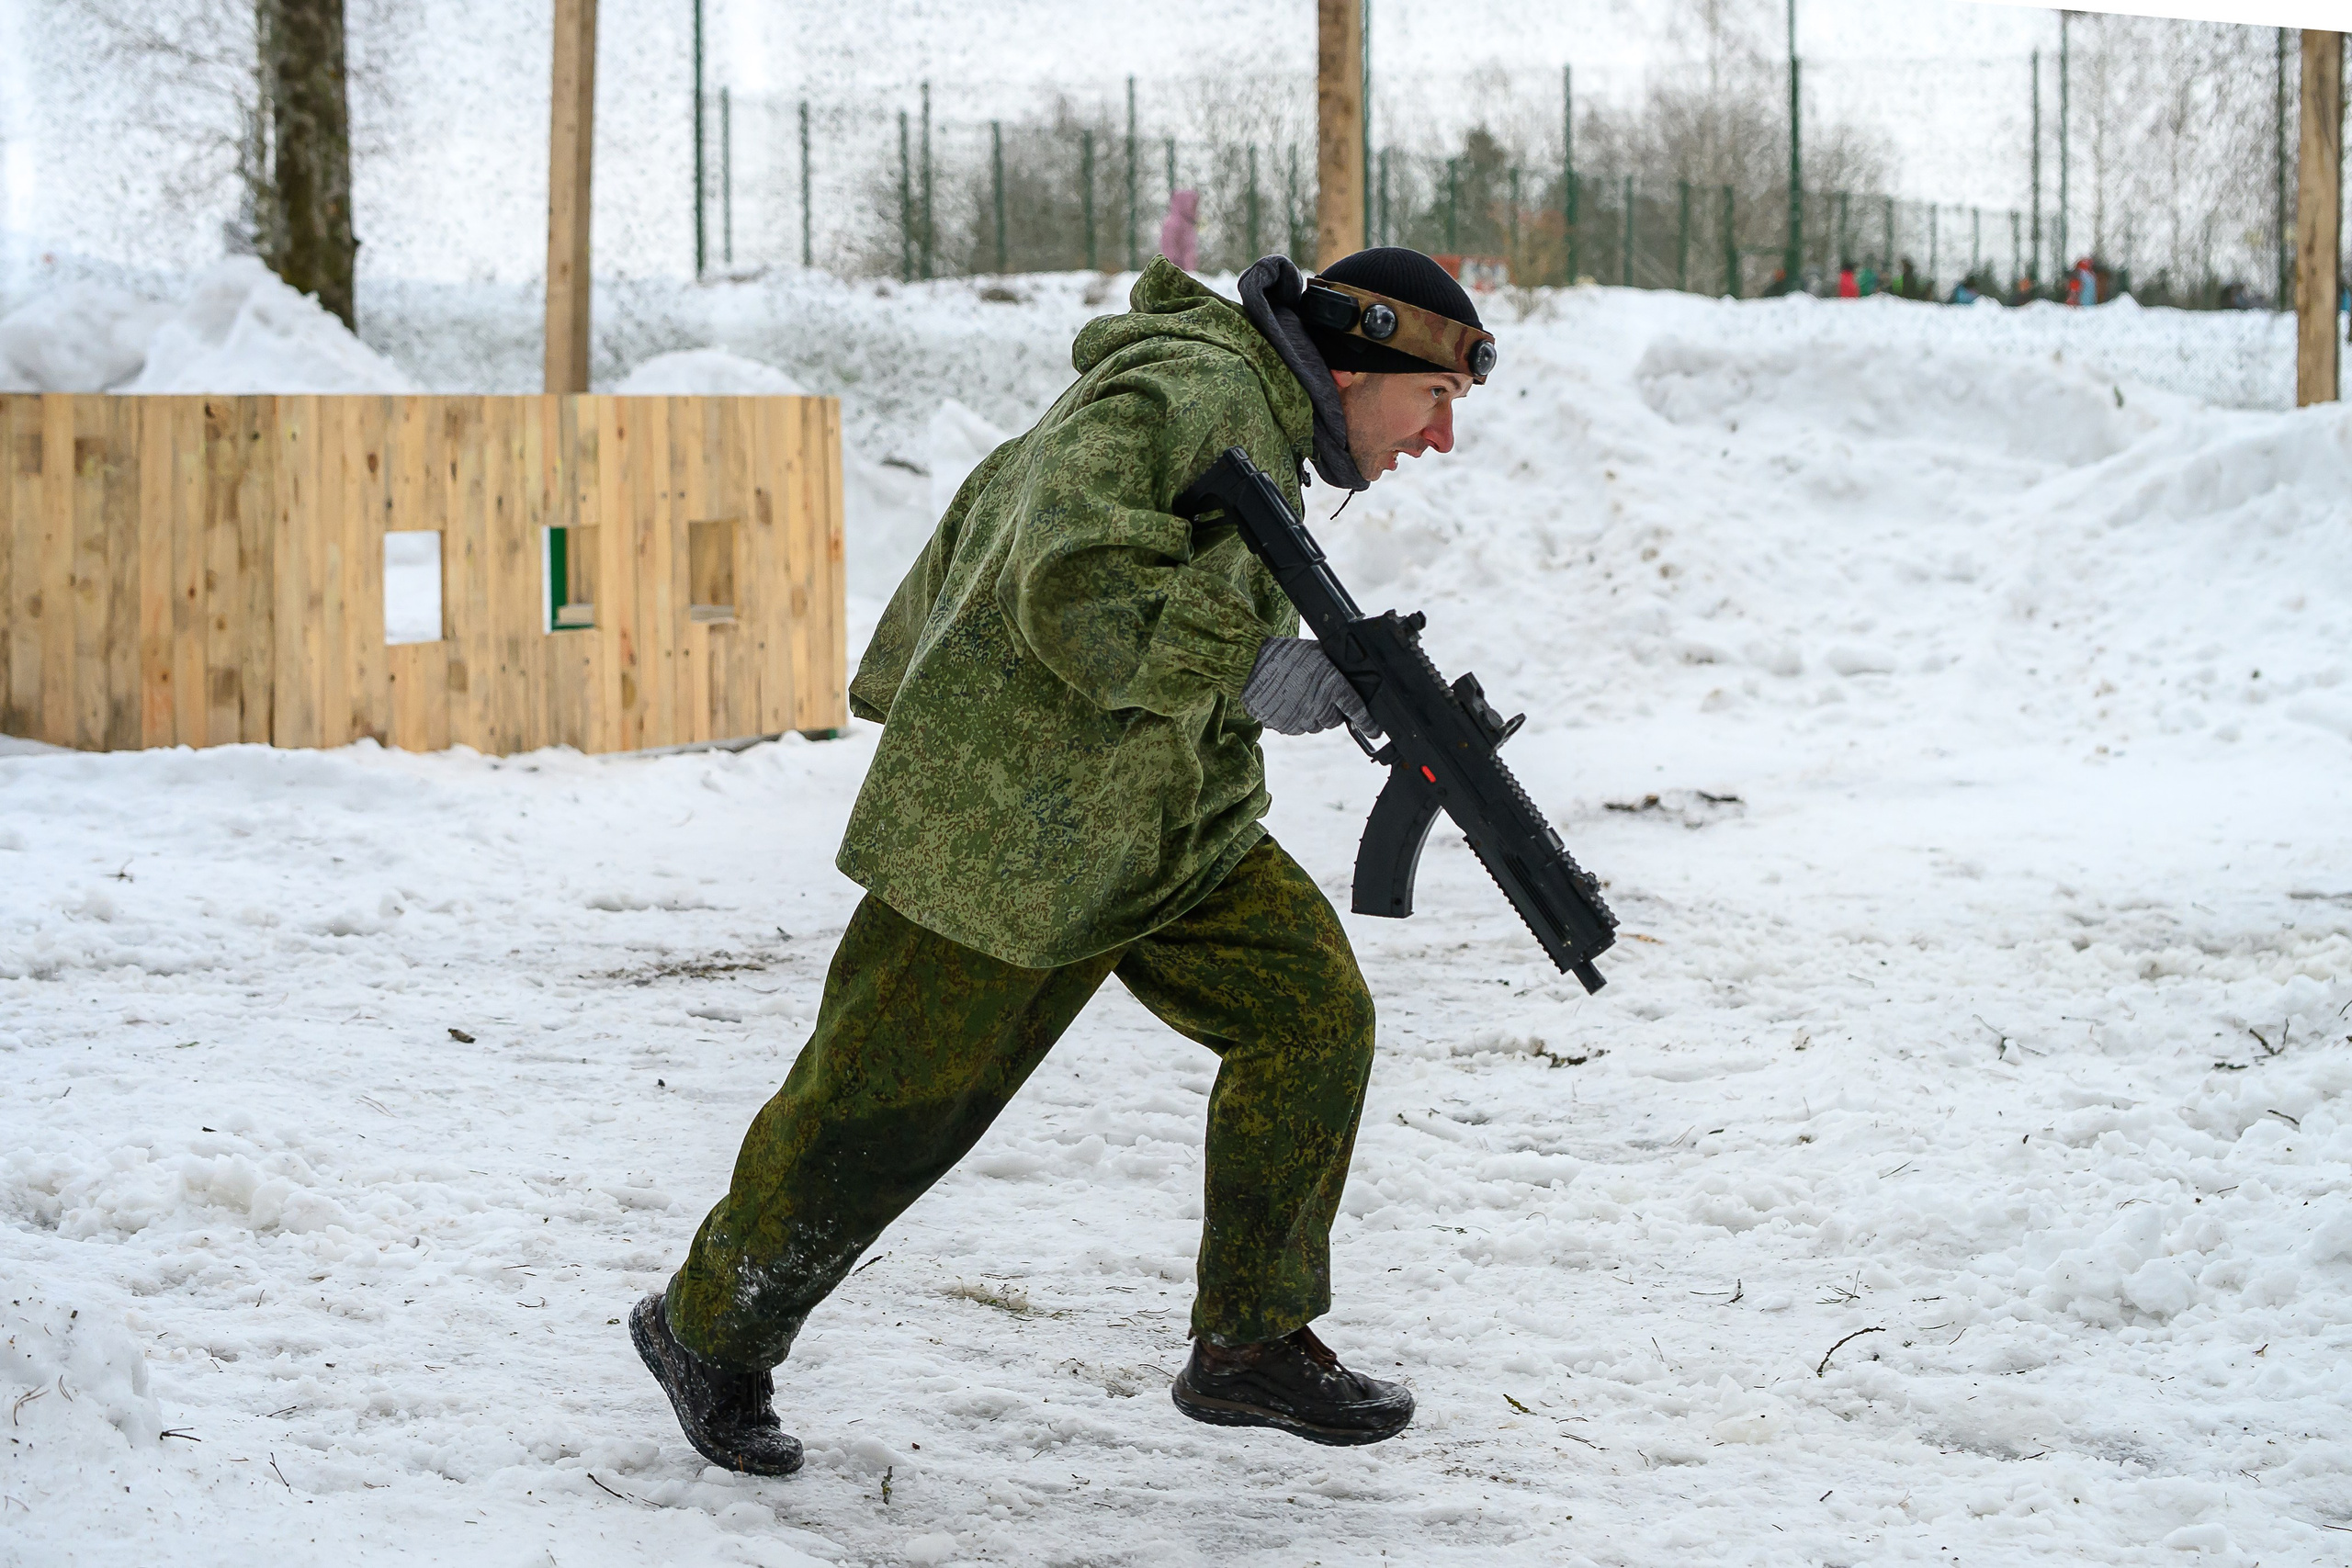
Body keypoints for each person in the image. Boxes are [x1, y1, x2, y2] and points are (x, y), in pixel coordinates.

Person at [629, 247, 1498, 1473]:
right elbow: (1072, 583)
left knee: (1310, 1015)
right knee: (885, 1107)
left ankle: (1249, 1340)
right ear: (1355, 364)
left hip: (1168, 818)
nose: (1440, 438)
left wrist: (1281, 683)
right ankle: (708, 1328)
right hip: (1011, 819)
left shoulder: (1256, 416)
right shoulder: (1189, 390)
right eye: (1436, 399)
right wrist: (1250, 666)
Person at [1158, 188, 1201, 273]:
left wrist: (1190, 269)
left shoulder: (1189, 225)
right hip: (1174, 270)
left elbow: (1189, 250)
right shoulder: (1172, 224)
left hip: (1187, 270)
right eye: (1192, 205)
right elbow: (1169, 249)